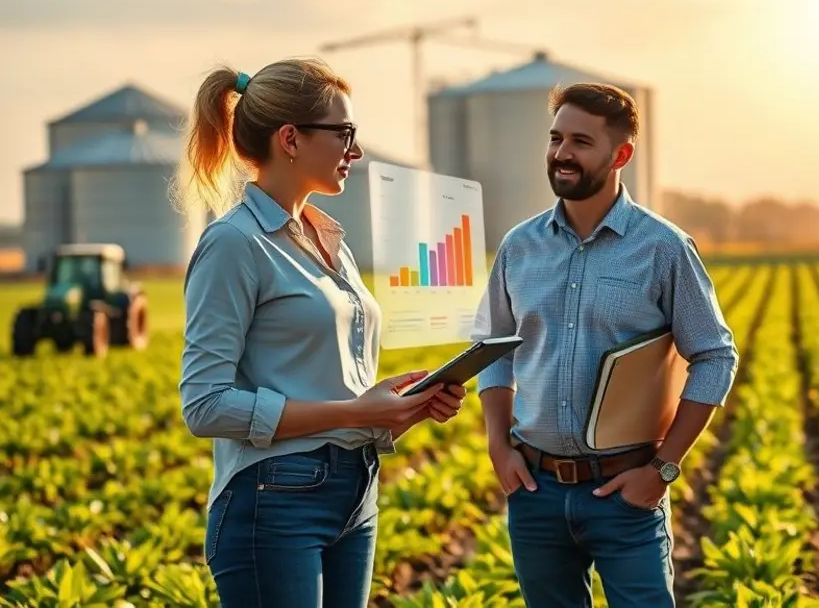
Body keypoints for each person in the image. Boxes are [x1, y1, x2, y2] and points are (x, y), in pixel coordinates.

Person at [173, 57, 466, 608]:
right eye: (344, 134)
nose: (355, 151)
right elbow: (205, 406)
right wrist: (359, 411)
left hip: (355, 491)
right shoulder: (235, 243)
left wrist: (399, 407)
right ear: (291, 139)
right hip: (274, 499)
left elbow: (330, 383)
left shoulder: (330, 240)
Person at [474, 82, 739, 607]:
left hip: (625, 493)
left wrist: (663, 468)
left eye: (580, 141)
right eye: (555, 139)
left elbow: (714, 355)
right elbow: (492, 347)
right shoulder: (518, 246)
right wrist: (497, 446)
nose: (561, 153)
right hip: (535, 492)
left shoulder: (663, 247)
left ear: (621, 155)